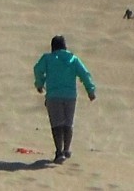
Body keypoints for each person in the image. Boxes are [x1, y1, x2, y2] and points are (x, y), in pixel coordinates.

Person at [34, 35, 96, 164]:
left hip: (53, 96)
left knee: (56, 124)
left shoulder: (47, 59)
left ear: (53, 47)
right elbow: (85, 74)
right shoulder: (73, 59)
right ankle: (67, 149)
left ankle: (59, 152)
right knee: (68, 123)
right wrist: (90, 90)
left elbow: (37, 69)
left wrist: (40, 84)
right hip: (70, 96)